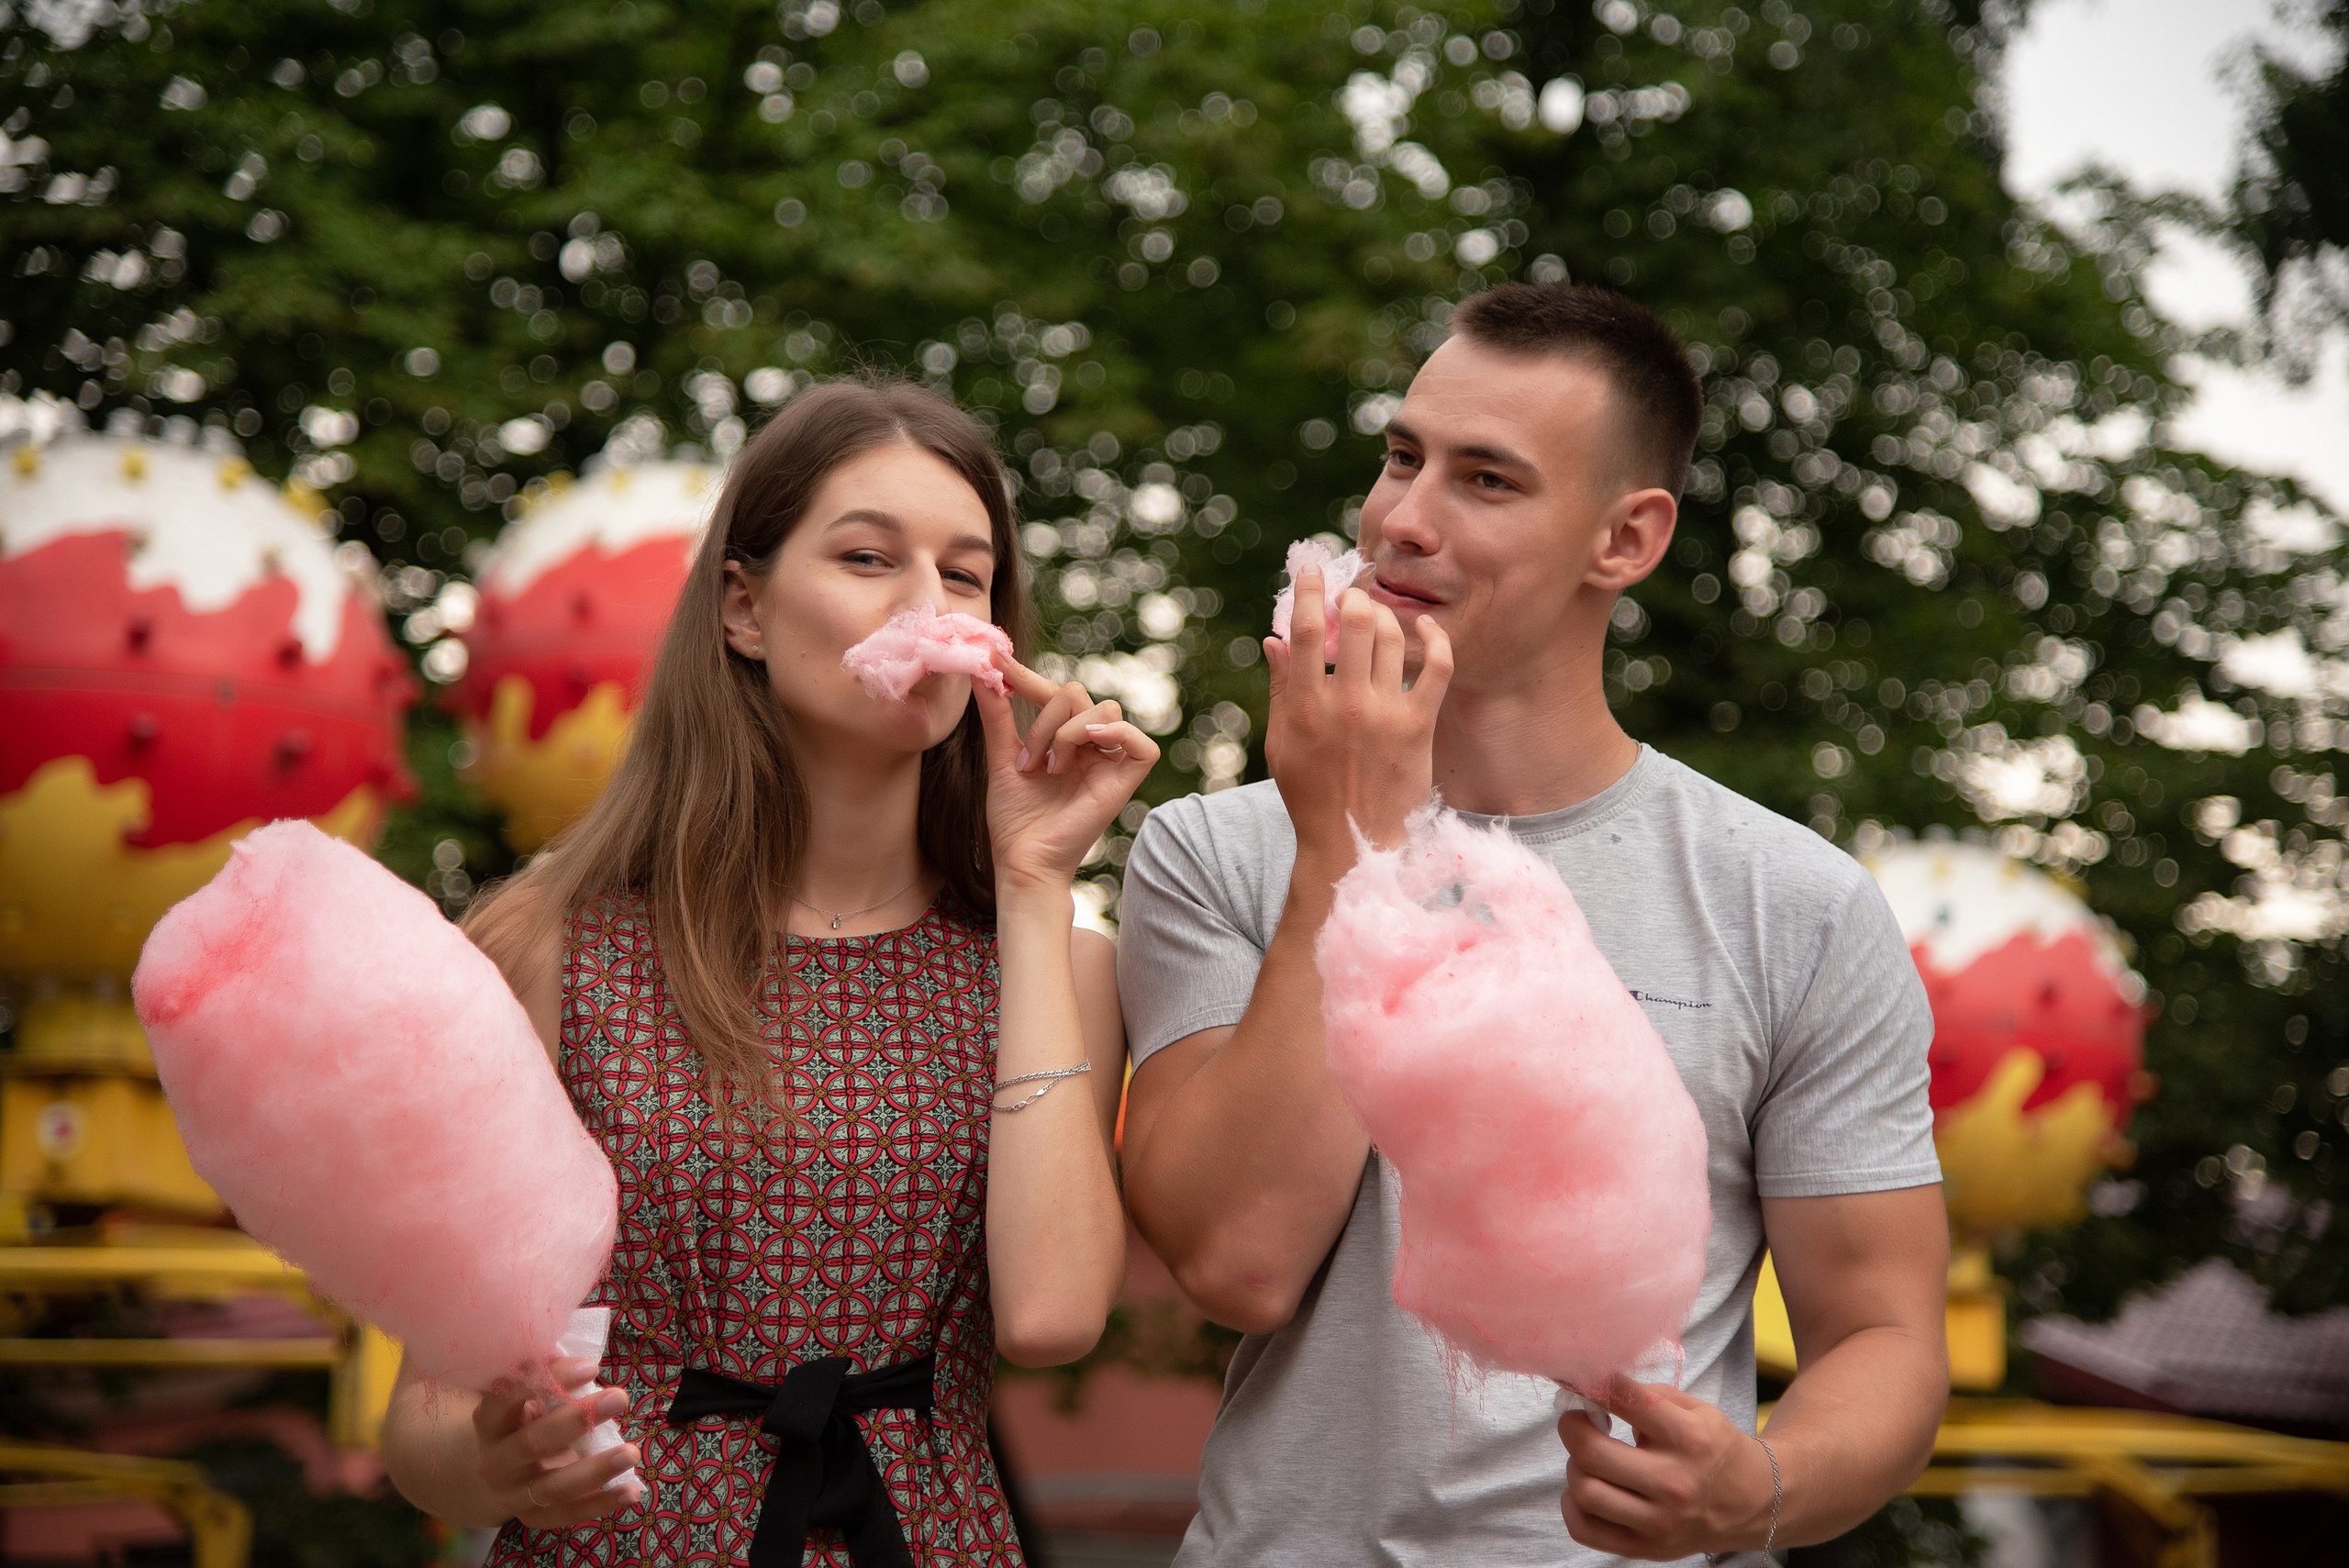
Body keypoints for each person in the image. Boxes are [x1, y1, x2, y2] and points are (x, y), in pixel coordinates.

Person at [1117, 283, 1951, 1565]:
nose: (1401, 518)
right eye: (1402, 457)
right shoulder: (1212, 853)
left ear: (1625, 539)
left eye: (1486, 481)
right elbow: (1240, 1262)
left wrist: (1762, 1485)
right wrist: (1361, 840)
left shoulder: (1795, 906)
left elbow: (1887, 1336)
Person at [379, 377, 1156, 1565]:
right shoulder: (549, 943)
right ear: (743, 606)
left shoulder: (1055, 962)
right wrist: (496, 1466)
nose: (927, 603)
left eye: (964, 573)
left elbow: (1051, 1317)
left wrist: (1040, 875)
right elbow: (421, 1418)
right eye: (867, 557)